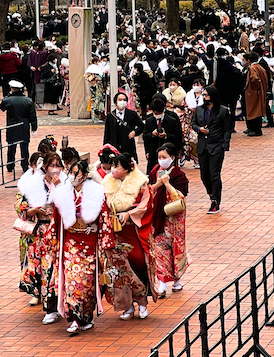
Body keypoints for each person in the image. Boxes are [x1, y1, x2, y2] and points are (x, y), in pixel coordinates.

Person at [48, 159, 114, 334]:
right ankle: (75, 319)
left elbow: (105, 217)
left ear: (85, 175)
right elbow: (57, 217)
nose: (72, 176)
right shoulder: (65, 192)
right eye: (71, 172)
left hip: (89, 242)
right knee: (72, 281)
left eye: (76, 173)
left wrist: (100, 231)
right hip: (70, 243)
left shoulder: (96, 192)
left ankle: (86, 317)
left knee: (87, 283)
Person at [103, 153, 158, 320]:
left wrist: (129, 213)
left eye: (117, 166)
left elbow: (146, 206)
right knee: (119, 268)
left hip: (133, 230)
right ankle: (127, 306)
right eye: (112, 165)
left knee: (137, 262)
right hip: (116, 231)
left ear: (127, 168)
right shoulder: (107, 184)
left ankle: (142, 302)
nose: (113, 169)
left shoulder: (141, 184)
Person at [16, 153, 65, 320]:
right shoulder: (34, 185)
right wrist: (35, 210)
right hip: (40, 232)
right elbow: (22, 209)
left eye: (58, 165)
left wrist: (60, 189)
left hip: (59, 230)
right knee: (42, 270)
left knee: (55, 269)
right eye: (52, 165)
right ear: (44, 167)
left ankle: (56, 306)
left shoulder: (66, 183)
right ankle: (49, 307)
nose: (55, 168)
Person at [148, 143, 190, 298]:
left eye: (164, 157)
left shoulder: (179, 175)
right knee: (160, 249)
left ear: (172, 158)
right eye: (159, 157)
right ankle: (162, 283)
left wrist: (167, 184)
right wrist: (158, 184)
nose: (161, 160)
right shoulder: (154, 172)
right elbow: (148, 192)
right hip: (158, 217)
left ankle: (177, 279)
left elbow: (180, 197)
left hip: (174, 220)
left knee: (176, 249)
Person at [192, 86, 232, 214]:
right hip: (203, 146)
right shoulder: (199, 110)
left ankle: (215, 201)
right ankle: (210, 193)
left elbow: (227, 129)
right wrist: (199, 129)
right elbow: (193, 124)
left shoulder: (223, 111)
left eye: (206, 95)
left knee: (214, 174)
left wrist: (224, 145)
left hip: (216, 146)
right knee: (204, 174)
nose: (204, 97)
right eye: (203, 95)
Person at [0, 80, 37, 173]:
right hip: (24, 126)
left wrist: (8, 96)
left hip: (12, 126)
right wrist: (34, 128)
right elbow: (33, 116)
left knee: (11, 147)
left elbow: (1, 107)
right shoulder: (28, 100)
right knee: (24, 148)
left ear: (12, 89)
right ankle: (24, 166)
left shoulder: (8, 100)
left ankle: (10, 166)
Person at [142, 97, 183, 174]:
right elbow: (145, 136)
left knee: (170, 174)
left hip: (168, 151)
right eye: (155, 113)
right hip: (153, 152)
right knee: (153, 174)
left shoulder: (172, 120)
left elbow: (177, 136)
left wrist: (166, 135)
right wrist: (152, 134)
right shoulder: (149, 121)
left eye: (159, 113)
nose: (157, 115)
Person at [103, 92, 145, 162]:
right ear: (116, 102)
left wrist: (135, 132)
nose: (122, 101)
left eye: (124, 100)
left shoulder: (132, 114)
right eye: (120, 99)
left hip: (128, 146)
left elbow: (142, 126)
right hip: (114, 146)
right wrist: (105, 148)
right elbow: (107, 134)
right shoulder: (110, 116)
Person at [242, 53, 267, 137]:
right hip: (260, 92)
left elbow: (255, 79)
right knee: (258, 111)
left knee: (253, 111)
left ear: (249, 60)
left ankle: (254, 130)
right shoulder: (260, 67)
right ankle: (257, 129)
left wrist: (256, 88)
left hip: (253, 93)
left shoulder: (252, 68)